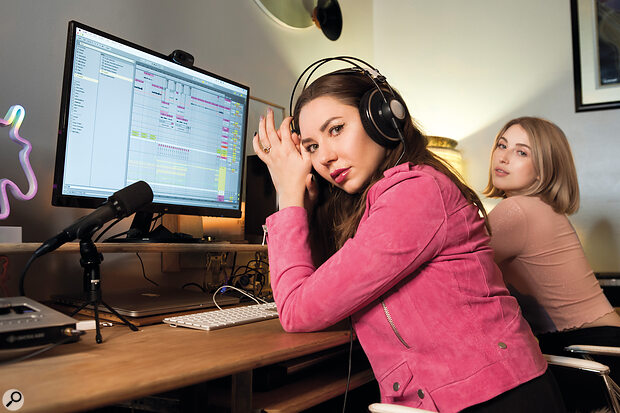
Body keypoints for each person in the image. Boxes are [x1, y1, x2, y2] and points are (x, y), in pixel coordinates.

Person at [253, 61, 565, 412]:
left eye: (336, 129)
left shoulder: (416, 193)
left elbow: (297, 311)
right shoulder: (377, 204)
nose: (324, 156)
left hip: (500, 400)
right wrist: (306, 210)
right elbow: (321, 294)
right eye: (310, 147)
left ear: (381, 118)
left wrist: (288, 197)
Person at [484, 116, 620, 411]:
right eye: (502, 145)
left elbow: (456, 267)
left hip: (587, 353)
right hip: (606, 348)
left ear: (544, 169)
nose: (504, 157)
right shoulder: (540, 208)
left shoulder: (516, 209)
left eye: (522, 152)